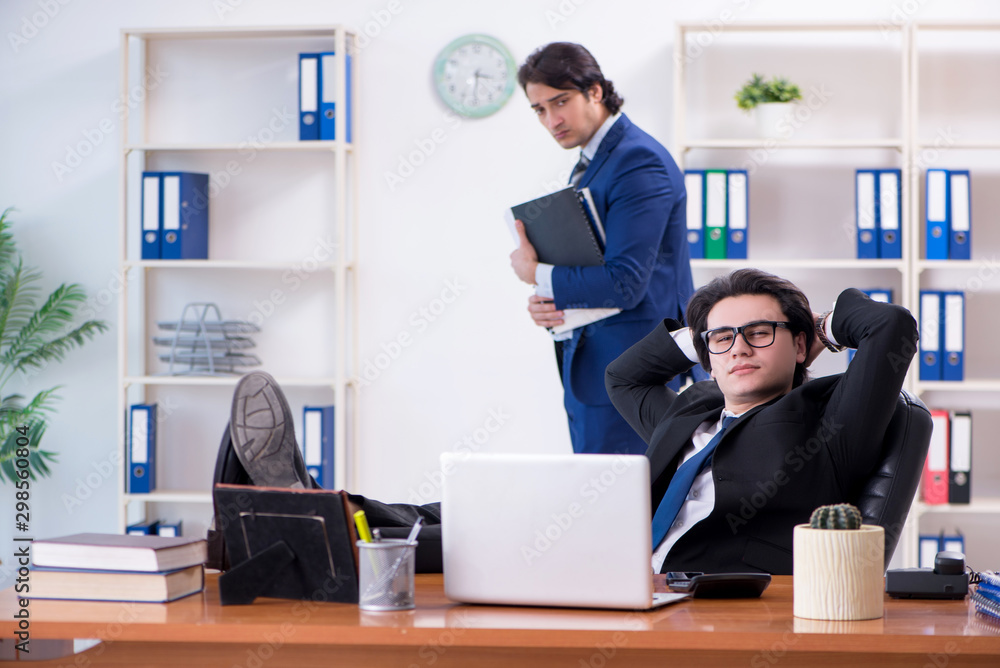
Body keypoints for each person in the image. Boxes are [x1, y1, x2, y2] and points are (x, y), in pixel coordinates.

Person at [604, 268, 918, 574]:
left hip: (718, 607)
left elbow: (891, 325)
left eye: (758, 333)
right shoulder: (689, 412)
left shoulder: (826, 425)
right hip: (624, 584)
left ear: (799, 346)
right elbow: (623, 377)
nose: (739, 349)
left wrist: (819, 327)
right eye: (724, 339)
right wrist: (707, 333)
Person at [509, 42, 695, 456]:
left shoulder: (637, 160)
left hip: (634, 373)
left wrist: (536, 273)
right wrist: (552, 302)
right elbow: (601, 267)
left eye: (561, 101)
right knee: (602, 508)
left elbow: (625, 282)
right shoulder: (594, 161)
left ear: (595, 91)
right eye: (539, 109)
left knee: (623, 510)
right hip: (597, 366)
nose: (551, 119)